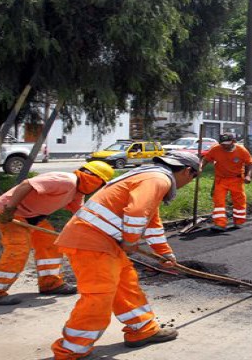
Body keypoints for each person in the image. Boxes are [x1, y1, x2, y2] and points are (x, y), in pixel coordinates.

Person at [51, 151, 200, 358]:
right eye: (193, 177)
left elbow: (150, 220)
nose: (189, 182)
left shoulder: (148, 175)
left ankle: (142, 330)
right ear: (187, 171)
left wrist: (165, 253)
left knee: (125, 284)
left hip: (105, 242)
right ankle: (71, 350)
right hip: (91, 242)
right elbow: (137, 212)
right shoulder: (159, 179)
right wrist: (130, 241)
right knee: (99, 296)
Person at [0, 161, 114, 306]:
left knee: (51, 245)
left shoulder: (76, 191)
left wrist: (100, 233)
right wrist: (10, 209)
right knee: (18, 250)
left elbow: (80, 214)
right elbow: (27, 184)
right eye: (101, 185)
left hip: (33, 216)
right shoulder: (65, 181)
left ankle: (50, 283)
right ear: (94, 180)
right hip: (11, 213)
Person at [201, 133, 252, 229]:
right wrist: (200, 167)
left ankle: (239, 221)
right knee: (219, 202)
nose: (224, 146)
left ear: (233, 142)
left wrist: (248, 176)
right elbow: (205, 159)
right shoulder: (216, 149)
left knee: (239, 201)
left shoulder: (241, 150)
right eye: (222, 144)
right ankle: (220, 224)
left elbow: (250, 164)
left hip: (236, 179)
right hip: (221, 180)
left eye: (227, 143)